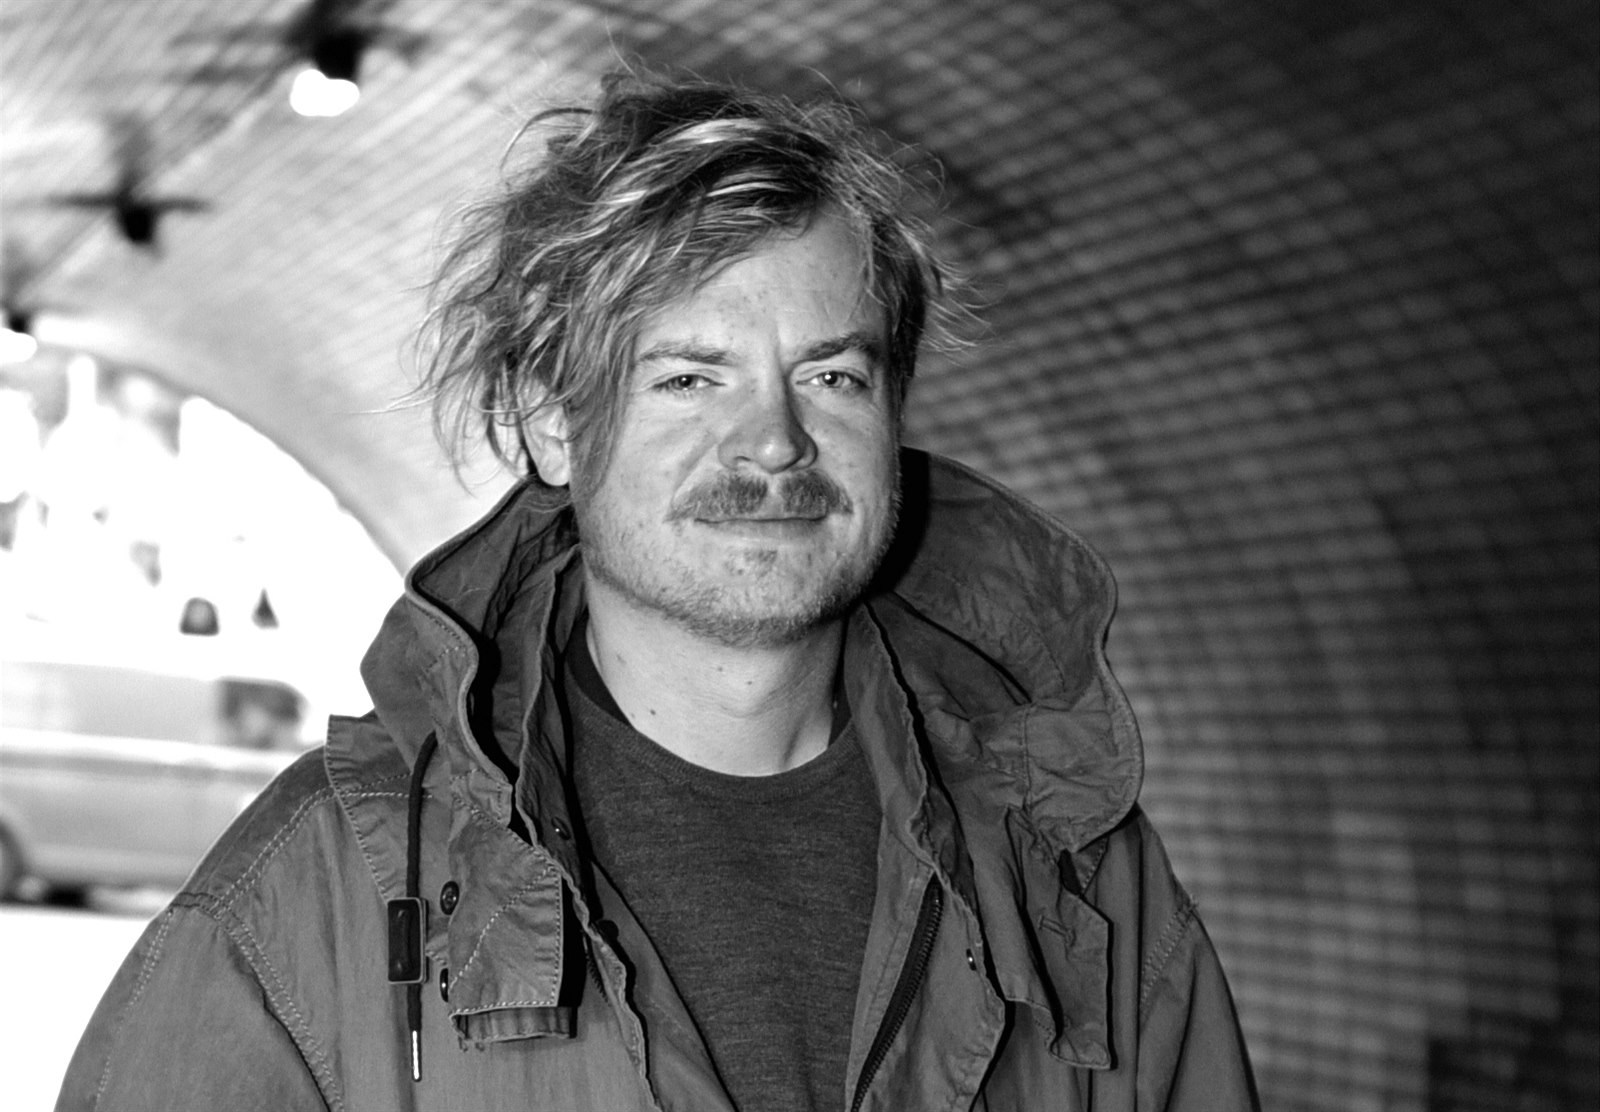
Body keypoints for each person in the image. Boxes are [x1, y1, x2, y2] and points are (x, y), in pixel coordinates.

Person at [57, 70, 1257, 1111]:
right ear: (552, 423)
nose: (774, 441)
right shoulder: (315, 904)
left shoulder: (1077, 883)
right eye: (689, 377)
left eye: (831, 375)